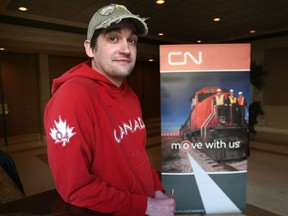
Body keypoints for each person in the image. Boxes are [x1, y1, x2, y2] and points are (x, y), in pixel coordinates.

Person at [44, 4, 175, 216]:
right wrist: (146, 206)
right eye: (113, 38)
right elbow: (75, 188)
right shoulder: (72, 97)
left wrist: (156, 190)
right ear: (89, 48)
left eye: (131, 40)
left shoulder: (130, 94)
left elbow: (138, 156)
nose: (126, 49)